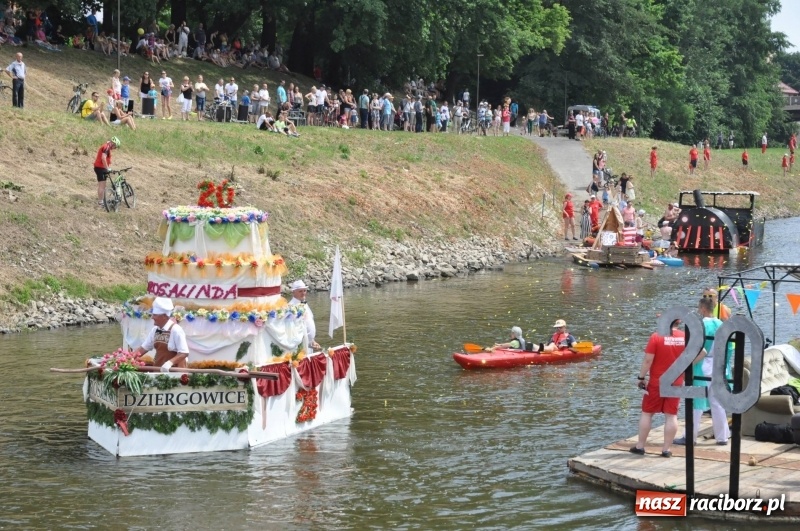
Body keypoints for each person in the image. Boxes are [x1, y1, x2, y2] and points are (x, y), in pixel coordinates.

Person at [674, 297, 731, 446]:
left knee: (695, 403)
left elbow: (696, 349)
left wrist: (687, 366)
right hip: (718, 366)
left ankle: (689, 437)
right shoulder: (721, 324)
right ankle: (722, 437)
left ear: (703, 309)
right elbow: (730, 347)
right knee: (717, 403)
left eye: (699, 308)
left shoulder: (700, 325)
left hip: (702, 367)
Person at [630, 319, 685, 458]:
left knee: (647, 413)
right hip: (676, 381)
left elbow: (648, 360)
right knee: (671, 416)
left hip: (657, 381)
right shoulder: (685, 337)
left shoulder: (656, 336)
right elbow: (700, 352)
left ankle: (640, 446)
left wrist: (641, 378)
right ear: (679, 322)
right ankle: (666, 450)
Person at [133, 297, 189, 371]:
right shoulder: (155, 330)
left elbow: (184, 353)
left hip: (174, 373)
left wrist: (170, 363)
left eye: (155, 315)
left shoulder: (176, 330)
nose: (152, 317)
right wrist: (127, 358)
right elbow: (143, 348)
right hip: (158, 370)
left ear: (164, 316)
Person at [289, 280, 321, 350]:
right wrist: (307, 343)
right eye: (300, 291)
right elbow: (293, 330)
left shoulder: (304, 303)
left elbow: (308, 322)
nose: (303, 293)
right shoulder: (291, 307)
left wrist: (312, 341)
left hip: (310, 344)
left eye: (304, 291)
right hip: (300, 346)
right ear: (293, 292)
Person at [94, 137, 120, 206]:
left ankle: (101, 201)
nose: (114, 148)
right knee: (102, 186)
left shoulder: (106, 146)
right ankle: (100, 202)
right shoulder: (106, 147)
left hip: (101, 168)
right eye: (115, 146)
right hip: (100, 168)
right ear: (113, 144)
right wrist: (107, 168)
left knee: (103, 185)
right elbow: (103, 158)